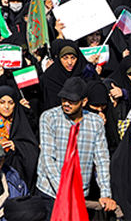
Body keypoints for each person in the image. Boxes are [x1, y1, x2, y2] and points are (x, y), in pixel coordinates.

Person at [35, 76, 116, 214]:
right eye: (64, 99)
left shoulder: (95, 123)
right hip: (51, 193)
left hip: (80, 194)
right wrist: (64, 190)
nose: (66, 104)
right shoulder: (49, 118)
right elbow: (48, 159)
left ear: (84, 101)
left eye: (72, 101)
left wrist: (105, 193)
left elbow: (102, 160)